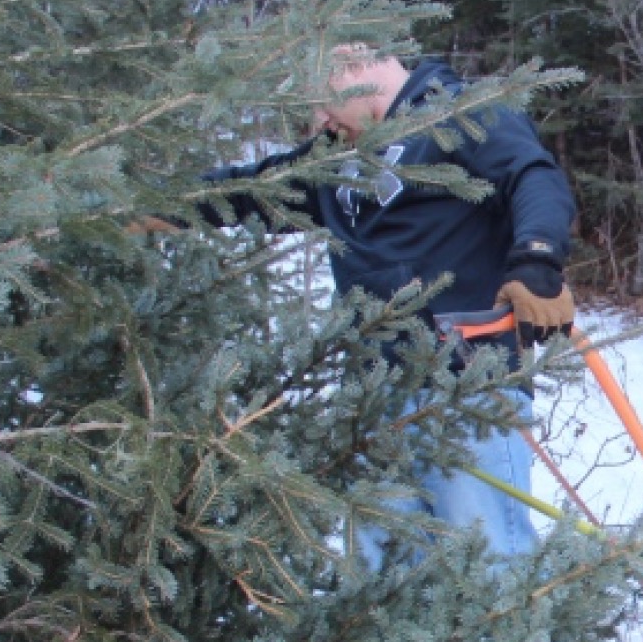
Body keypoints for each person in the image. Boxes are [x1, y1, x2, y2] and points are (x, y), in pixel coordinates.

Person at [195, 46, 577, 558]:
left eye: (323, 105)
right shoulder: (337, 160)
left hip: (465, 388)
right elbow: (249, 192)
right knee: (380, 569)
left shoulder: (459, 114)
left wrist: (537, 257)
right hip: (372, 396)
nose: (319, 123)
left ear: (356, 71)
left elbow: (533, 175)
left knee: (487, 564)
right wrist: (150, 206)